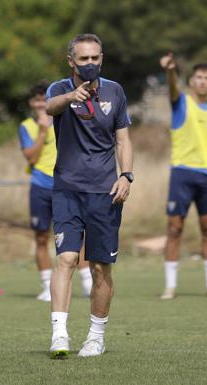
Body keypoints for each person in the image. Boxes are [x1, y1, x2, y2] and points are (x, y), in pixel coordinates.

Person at [45, 33, 133, 358]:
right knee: (66, 258)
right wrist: (72, 96)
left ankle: (96, 336)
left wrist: (126, 175)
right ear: (72, 61)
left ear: (102, 58)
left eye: (95, 57)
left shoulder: (115, 91)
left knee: (100, 269)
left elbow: (123, 139)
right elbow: (50, 108)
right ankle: (59, 335)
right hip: (67, 188)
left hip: (104, 192)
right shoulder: (58, 90)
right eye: (84, 58)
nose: (91, 63)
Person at [158, 53, 207, 300]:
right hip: (182, 174)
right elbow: (172, 87)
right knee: (174, 229)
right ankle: (170, 286)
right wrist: (170, 70)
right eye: (198, 77)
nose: (202, 81)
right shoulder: (181, 103)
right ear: (191, 81)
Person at [17, 82, 92, 302]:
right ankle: (46, 285)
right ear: (32, 103)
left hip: (67, 184)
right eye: (37, 100)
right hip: (40, 186)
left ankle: (87, 282)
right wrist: (42, 131)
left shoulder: (64, 118)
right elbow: (31, 157)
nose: (41, 104)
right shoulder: (26, 126)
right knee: (41, 237)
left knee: (78, 235)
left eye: (44, 99)